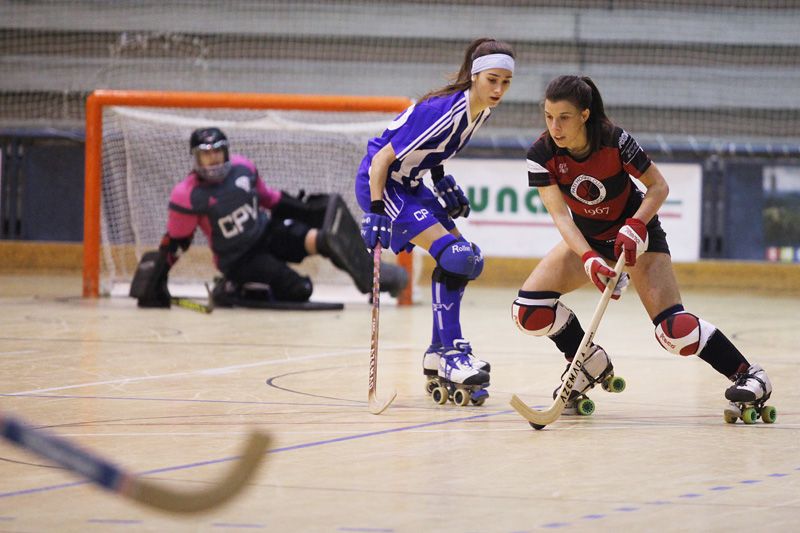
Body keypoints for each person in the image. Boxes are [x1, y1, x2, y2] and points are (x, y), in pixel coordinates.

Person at [512, 75, 772, 418]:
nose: (554, 127)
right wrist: (589, 258)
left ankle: (750, 375)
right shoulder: (541, 153)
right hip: (589, 239)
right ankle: (588, 360)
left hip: (640, 240)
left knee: (673, 332)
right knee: (529, 312)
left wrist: (635, 224)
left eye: (564, 117)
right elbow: (562, 218)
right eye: (548, 116)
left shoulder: (614, 141)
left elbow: (658, 187)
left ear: (585, 115)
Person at [356, 37, 515, 405]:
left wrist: (440, 178)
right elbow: (382, 159)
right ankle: (451, 353)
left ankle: (436, 351)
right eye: (492, 79)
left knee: (468, 258)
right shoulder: (447, 108)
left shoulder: (479, 111)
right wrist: (376, 210)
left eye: (505, 82)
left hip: (410, 183)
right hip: (383, 184)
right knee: (456, 256)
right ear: (475, 76)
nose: (498, 89)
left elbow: (431, 148)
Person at [131, 127, 407, 309]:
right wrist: (159, 277)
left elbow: (270, 199)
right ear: (195, 159)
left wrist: (303, 208)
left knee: (326, 239)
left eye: (217, 152)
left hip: (266, 233)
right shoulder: (187, 195)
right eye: (205, 155)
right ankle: (231, 285)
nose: (213, 160)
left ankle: (372, 279)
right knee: (300, 290)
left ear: (226, 151)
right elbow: (177, 240)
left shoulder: (242, 168)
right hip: (239, 258)